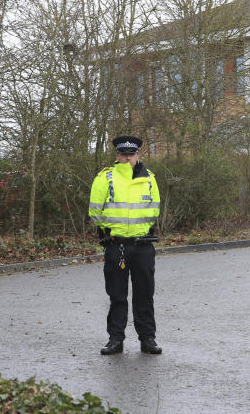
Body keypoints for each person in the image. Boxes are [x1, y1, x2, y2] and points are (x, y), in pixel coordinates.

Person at [88, 135, 162, 355]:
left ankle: (147, 338)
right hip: (116, 244)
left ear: (138, 154)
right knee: (117, 295)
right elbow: (94, 210)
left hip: (143, 245)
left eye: (131, 154)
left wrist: (142, 228)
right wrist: (109, 230)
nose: (127, 158)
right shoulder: (106, 177)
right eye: (123, 154)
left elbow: (155, 208)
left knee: (145, 294)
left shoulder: (149, 177)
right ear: (117, 155)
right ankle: (115, 339)